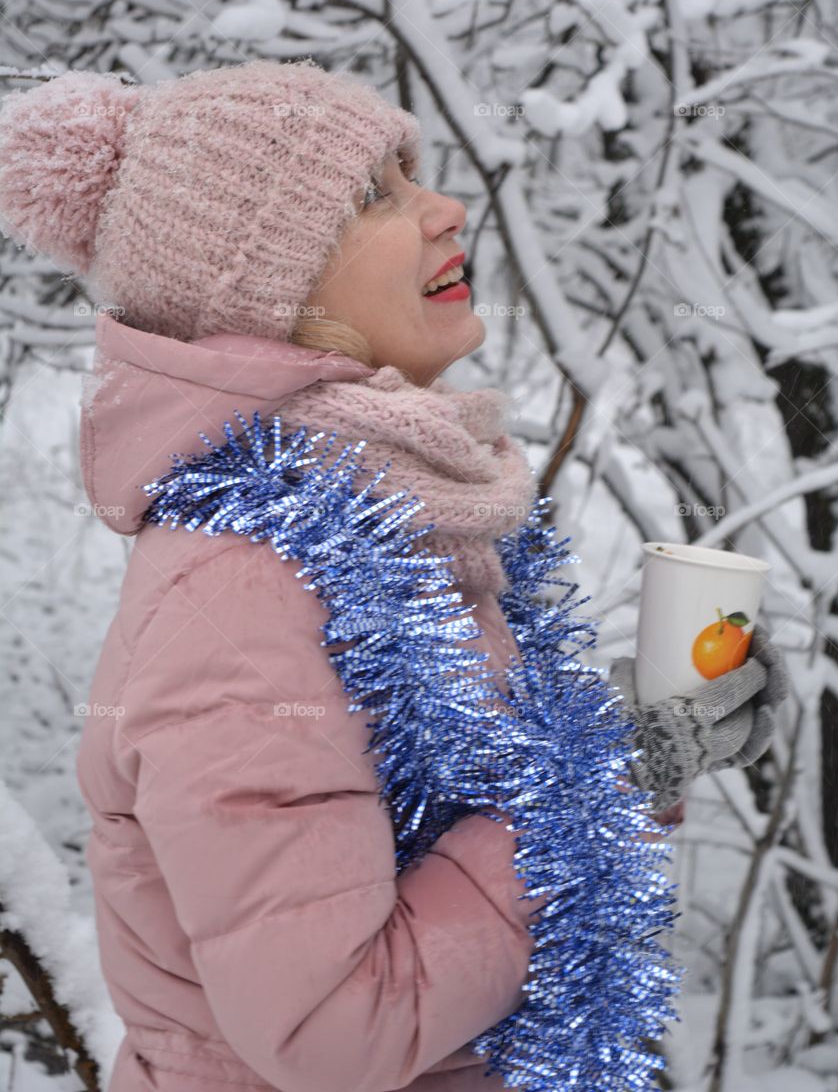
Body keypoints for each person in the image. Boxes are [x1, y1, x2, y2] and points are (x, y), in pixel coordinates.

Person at [0, 59, 789, 1092]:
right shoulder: (237, 590)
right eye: (377, 194)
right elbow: (337, 1027)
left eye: (415, 177)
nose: (447, 209)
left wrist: (638, 743)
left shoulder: (385, 520)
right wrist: (602, 776)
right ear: (269, 292)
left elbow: (447, 834)